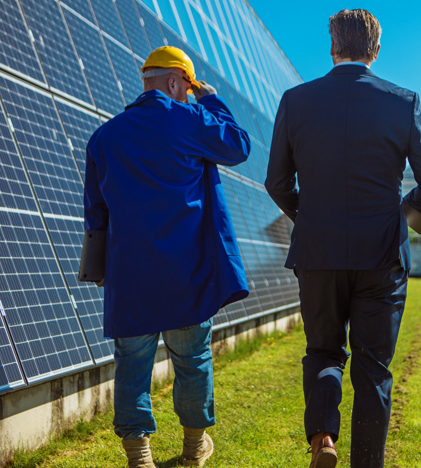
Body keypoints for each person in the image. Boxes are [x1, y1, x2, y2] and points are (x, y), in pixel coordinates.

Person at [265, 9, 421, 468]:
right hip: (383, 256)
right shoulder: (403, 102)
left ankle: (323, 438)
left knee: (323, 351)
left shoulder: (295, 101)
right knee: (373, 369)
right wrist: (402, 219)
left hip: (317, 252)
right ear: (376, 50)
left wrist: (309, 217)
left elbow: (276, 183)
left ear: (332, 46)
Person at [83, 46, 251, 468]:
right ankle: (194, 449)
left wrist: (100, 270)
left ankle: (139, 457)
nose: (188, 95)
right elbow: (238, 146)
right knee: (193, 362)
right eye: (187, 89)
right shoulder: (189, 119)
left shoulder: (104, 137)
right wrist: (210, 99)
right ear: (176, 81)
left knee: (132, 366)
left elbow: (95, 213)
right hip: (186, 274)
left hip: (129, 277)